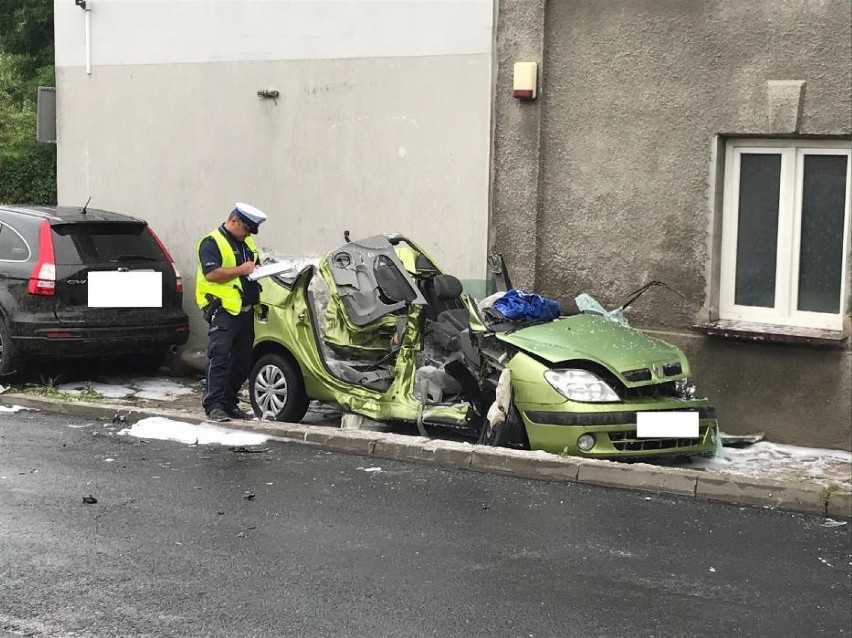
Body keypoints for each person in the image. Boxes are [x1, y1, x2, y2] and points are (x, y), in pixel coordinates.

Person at [196, 202, 267, 421]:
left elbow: (252, 266)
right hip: (223, 309)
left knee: (242, 362)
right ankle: (214, 405)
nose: (247, 235)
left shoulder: (246, 242)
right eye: (245, 229)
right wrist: (242, 270)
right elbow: (211, 274)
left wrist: (259, 270)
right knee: (220, 357)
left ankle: (229, 403)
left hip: (245, 310)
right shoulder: (211, 242)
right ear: (234, 220)